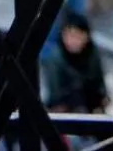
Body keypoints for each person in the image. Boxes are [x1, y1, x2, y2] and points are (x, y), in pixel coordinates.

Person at [42, 13, 109, 144]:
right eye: (69, 35)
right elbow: (54, 99)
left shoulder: (92, 54)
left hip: (92, 110)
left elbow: (100, 86)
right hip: (66, 115)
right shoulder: (55, 59)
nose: (73, 40)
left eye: (78, 35)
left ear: (86, 36)